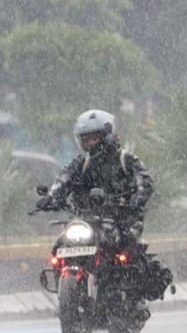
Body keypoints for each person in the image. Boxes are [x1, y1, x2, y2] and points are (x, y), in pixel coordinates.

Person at [36, 110, 170, 303]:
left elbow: (145, 182)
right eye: (85, 139)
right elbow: (63, 179)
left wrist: (135, 201)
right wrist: (51, 197)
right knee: (61, 243)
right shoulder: (81, 163)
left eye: (94, 138)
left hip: (120, 219)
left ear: (107, 135)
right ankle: (66, 284)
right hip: (86, 220)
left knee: (127, 248)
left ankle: (128, 293)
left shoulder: (126, 160)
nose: (90, 144)